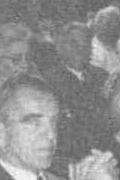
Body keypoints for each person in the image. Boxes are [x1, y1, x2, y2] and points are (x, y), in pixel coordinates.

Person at [43, 22, 109, 160]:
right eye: (73, 43)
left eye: (86, 44)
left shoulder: (102, 76)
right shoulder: (49, 82)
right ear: (60, 47)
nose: (80, 49)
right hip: (71, 154)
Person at [89, 6, 120, 76]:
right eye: (108, 24)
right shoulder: (91, 50)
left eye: (116, 23)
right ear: (97, 27)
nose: (113, 28)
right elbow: (101, 76)